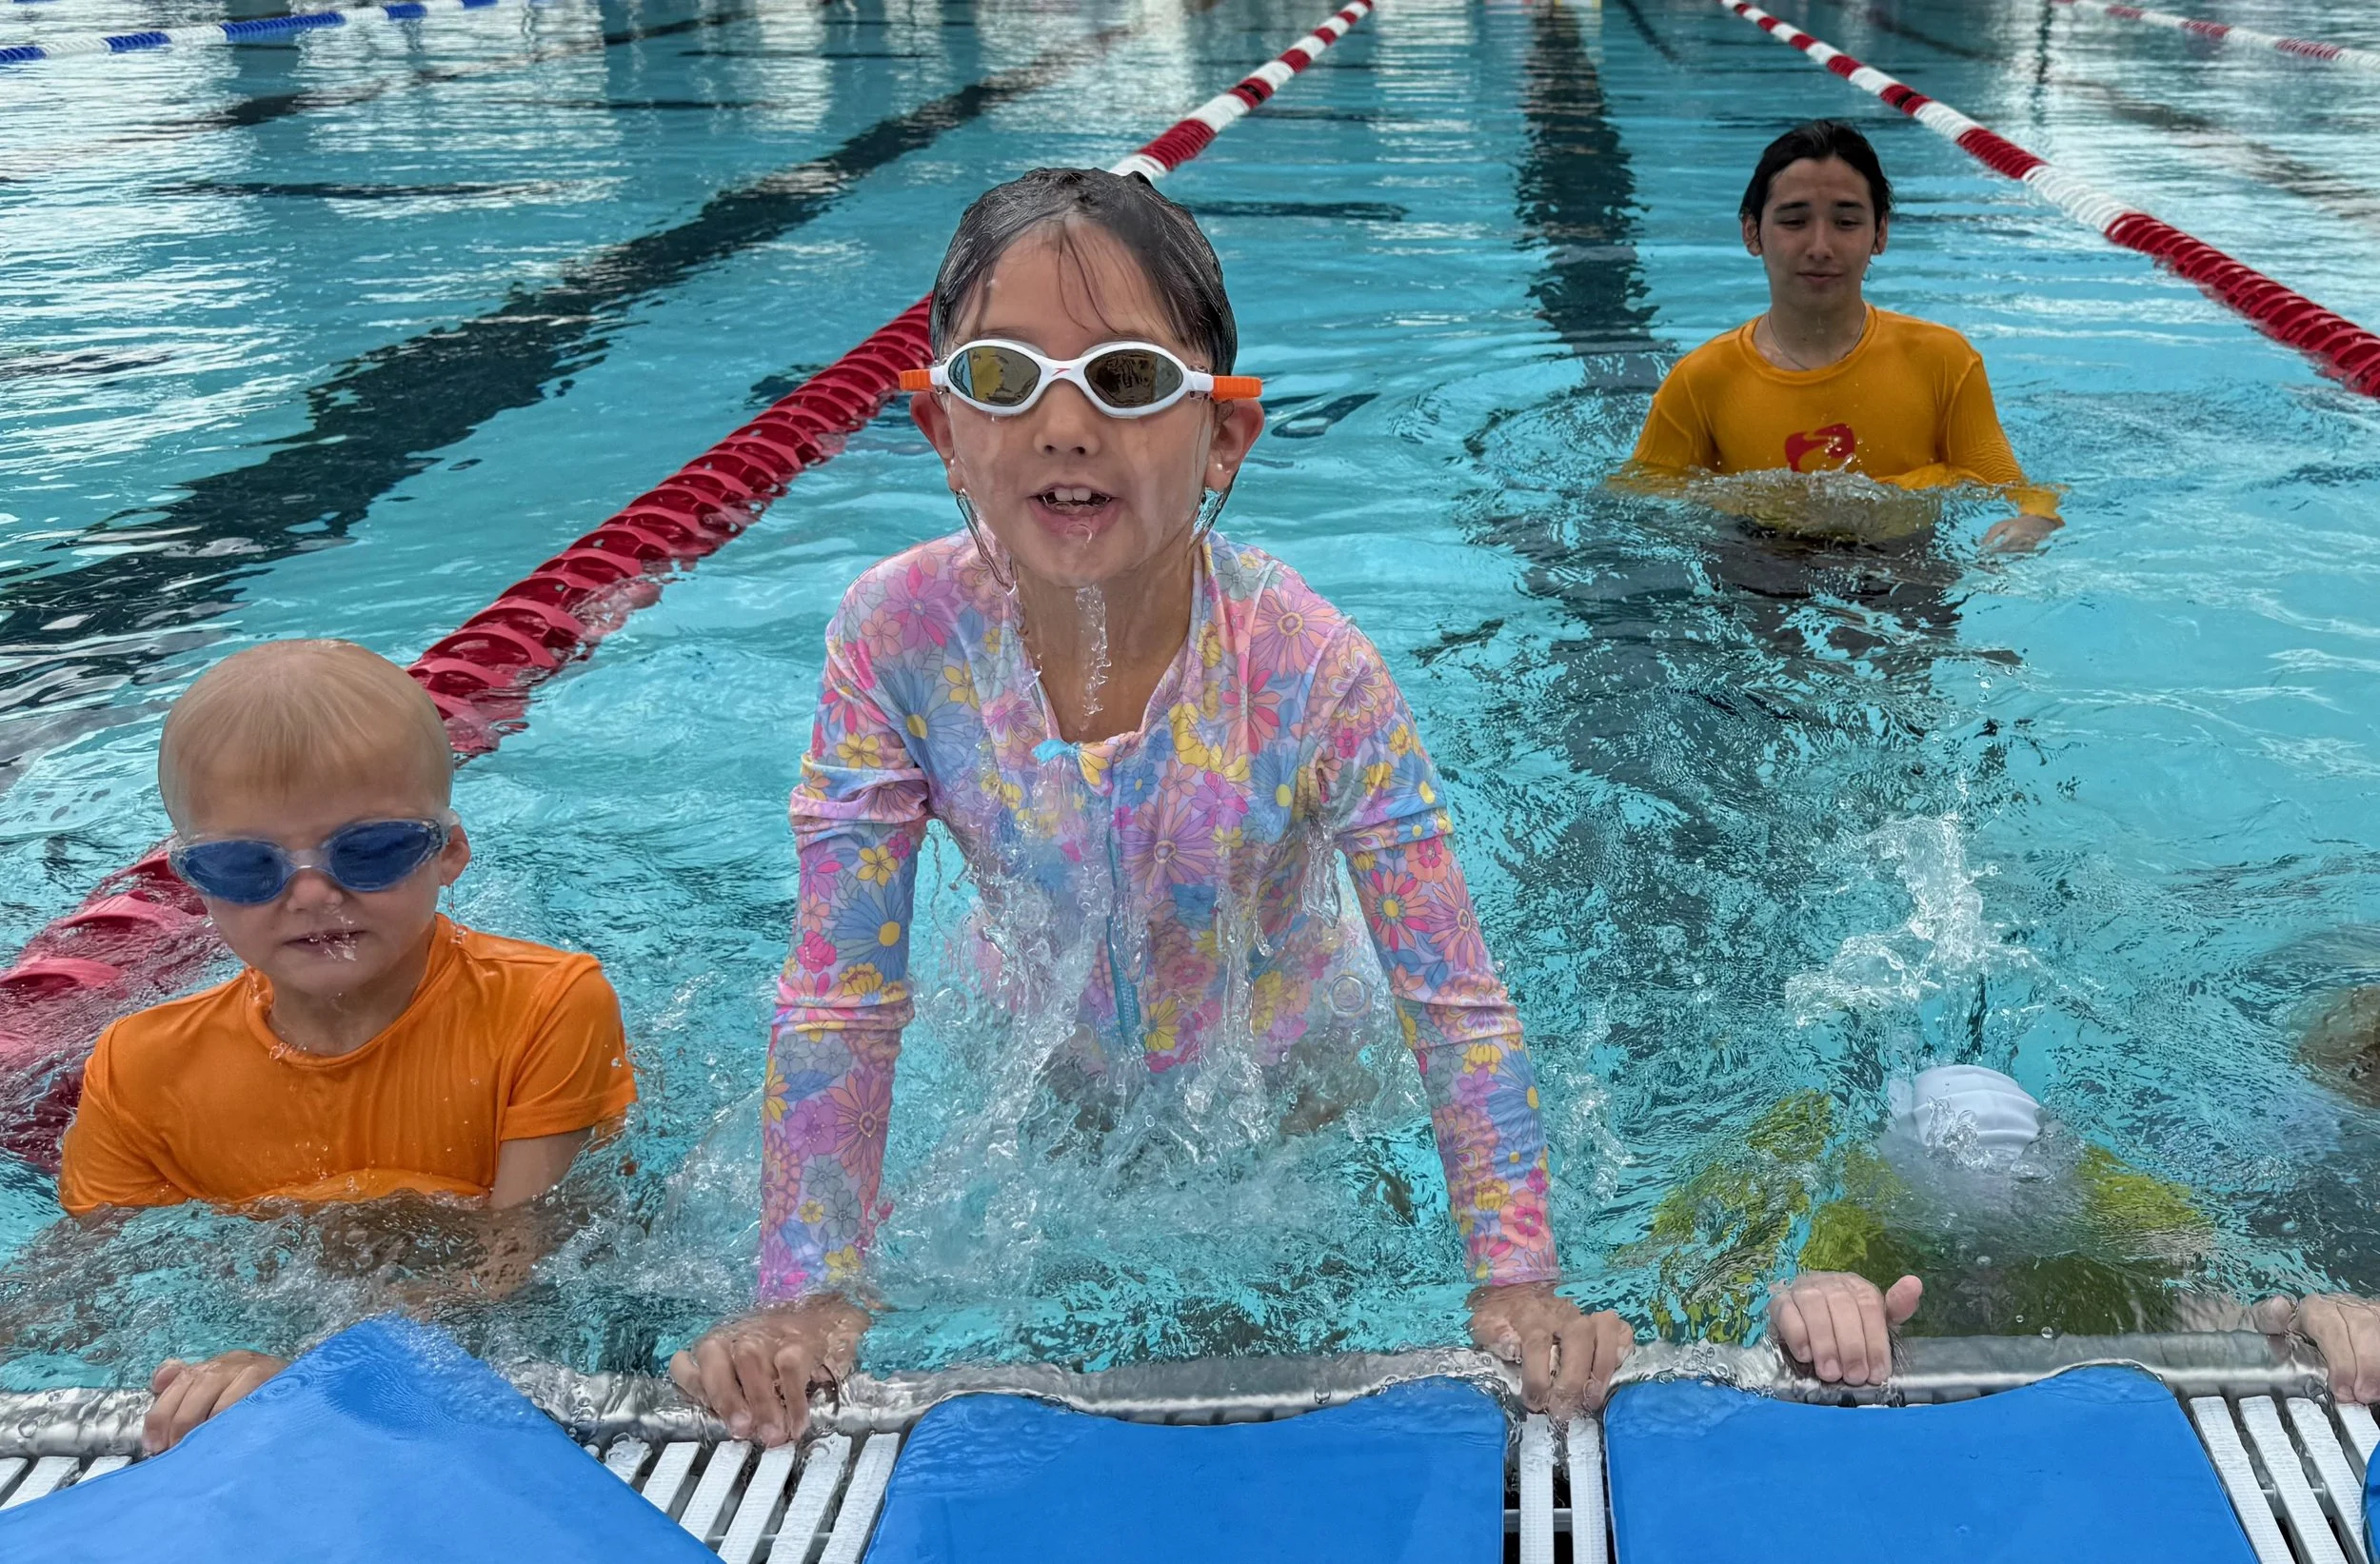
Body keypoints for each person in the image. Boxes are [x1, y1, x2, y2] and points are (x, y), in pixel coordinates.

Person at [671, 168, 1886, 1446]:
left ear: (1223, 437)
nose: (1064, 424)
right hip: (1041, 1076)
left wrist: (1514, 1278)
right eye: (1002, 379)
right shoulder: (895, 636)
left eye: (1127, 380)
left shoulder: (1310, 665)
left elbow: (1453, 1002)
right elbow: (840, 996)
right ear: (941, 432)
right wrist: (810, 1294)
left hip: (1296, 1092)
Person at [53, 640, 638, 1451]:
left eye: (370, 850)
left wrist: (308, 1366)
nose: (313, 892)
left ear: (449, 853)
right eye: (246, 864)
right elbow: (83, 1298)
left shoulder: (545, 1006)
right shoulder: (139, 1067)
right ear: (195, 882)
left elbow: (525, 1265)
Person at [1729, 1067, 2380, 1403]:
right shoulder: (1850, 1232)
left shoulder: (2125, 1226)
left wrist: (2311, 1322)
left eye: (2012, 1243)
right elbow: (1770, 1301)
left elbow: (2237, 1313)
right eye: (1958, 1250)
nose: (1989, 1274)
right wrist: (1810, 1307)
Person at [1624, 120, 2061, 551]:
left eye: (1846, 222)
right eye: (1794, 222)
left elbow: (2017, 491)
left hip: (1905, 566)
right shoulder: (1703, 379)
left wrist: (2031, 523)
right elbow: (1638, 503)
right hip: (1760, 570)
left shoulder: (1941, 359)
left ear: (1880, 233)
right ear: (1752, 232)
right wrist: (1755, 504)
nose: (1820, 246)